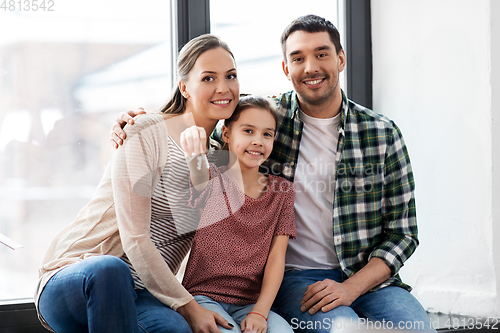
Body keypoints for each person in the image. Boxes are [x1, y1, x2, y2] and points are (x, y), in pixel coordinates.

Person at [111, 15, 434, 332]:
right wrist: (141, 121)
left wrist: (351, 288)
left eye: (321, 54)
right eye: (298, 58)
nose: (310, 67)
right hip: (296, 277)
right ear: (285, 68)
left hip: (370, 278)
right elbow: (206, 134)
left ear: (341, 59)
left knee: (416, 329)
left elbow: (403, 233)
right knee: (342, 328)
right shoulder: (270, 119)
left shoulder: (382, 133)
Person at [35, 34, 241, 333]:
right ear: (184, 86)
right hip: (80, 276)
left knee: (176, 330)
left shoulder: (219, 162)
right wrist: (190, 308)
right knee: (111, 270)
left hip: (144, 294)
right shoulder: (146, 129)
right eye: (208, 78)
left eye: (231, 76)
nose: (223, 87)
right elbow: (135, 239)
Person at [179, 96, 296, 333]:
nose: (257, 141)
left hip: (250, 303)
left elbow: (276, 259)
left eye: (267, 134)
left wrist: (260, 313)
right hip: (203, 296)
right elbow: (197, 173)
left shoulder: (283, 191)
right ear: (226, 134)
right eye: (248, 131)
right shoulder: (211, 177)